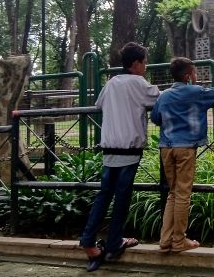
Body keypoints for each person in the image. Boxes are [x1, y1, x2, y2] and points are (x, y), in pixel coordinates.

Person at [80, 42, 160, 272]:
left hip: (109, 150)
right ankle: (114, 242)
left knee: (104, 196)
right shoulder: (138, 83)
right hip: (129, 149)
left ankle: (89, 243)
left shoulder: (112, 82)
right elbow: (160, 99)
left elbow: (99, 104)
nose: (146, 66)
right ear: (135, 64)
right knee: (122, 198)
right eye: (144, 62)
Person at [151, 57, 214, 253]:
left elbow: (156, 117)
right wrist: (195, 85)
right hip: (186, 148)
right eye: (194, 73)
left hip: (166, 147)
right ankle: (179, 240)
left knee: (173, 193)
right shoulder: (195, 92)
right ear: (188, 76)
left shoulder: (163, 96)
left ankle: (166, 240)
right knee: (183, 194)